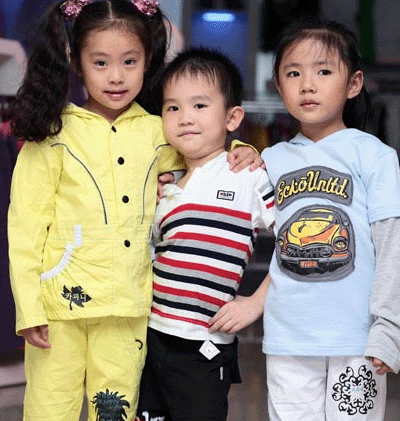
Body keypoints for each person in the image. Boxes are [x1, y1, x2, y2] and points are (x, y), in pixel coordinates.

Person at [7, 1, 261, 420]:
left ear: (148, 60)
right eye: (101, 62)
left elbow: (205, 155)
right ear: (77, 62)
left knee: (116, 410)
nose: (116, 76)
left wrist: (242, 149)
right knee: (50, 408)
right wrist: (30, 306)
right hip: (58, 307)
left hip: (128, 307)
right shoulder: (52, 132)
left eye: (129, 61)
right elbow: (25, 227)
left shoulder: (159, 130)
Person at [260, 17, 400, 421]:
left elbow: (392, 245)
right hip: (288, 338)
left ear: (353, 84)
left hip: (357, 338)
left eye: (323, 71)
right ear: (278, 85)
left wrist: (388, 329)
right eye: (293, 73)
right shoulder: (268, 160)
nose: (307, 85)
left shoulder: (375, 156)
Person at [136, 47, 275, 421]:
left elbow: (298, 243)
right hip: (150, 337)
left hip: (204, 345)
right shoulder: (163, 185)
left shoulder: (246, 176)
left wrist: (256, 302)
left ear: (232, 117)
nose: (185, 118)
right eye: (173, 107)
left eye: (199, 105)